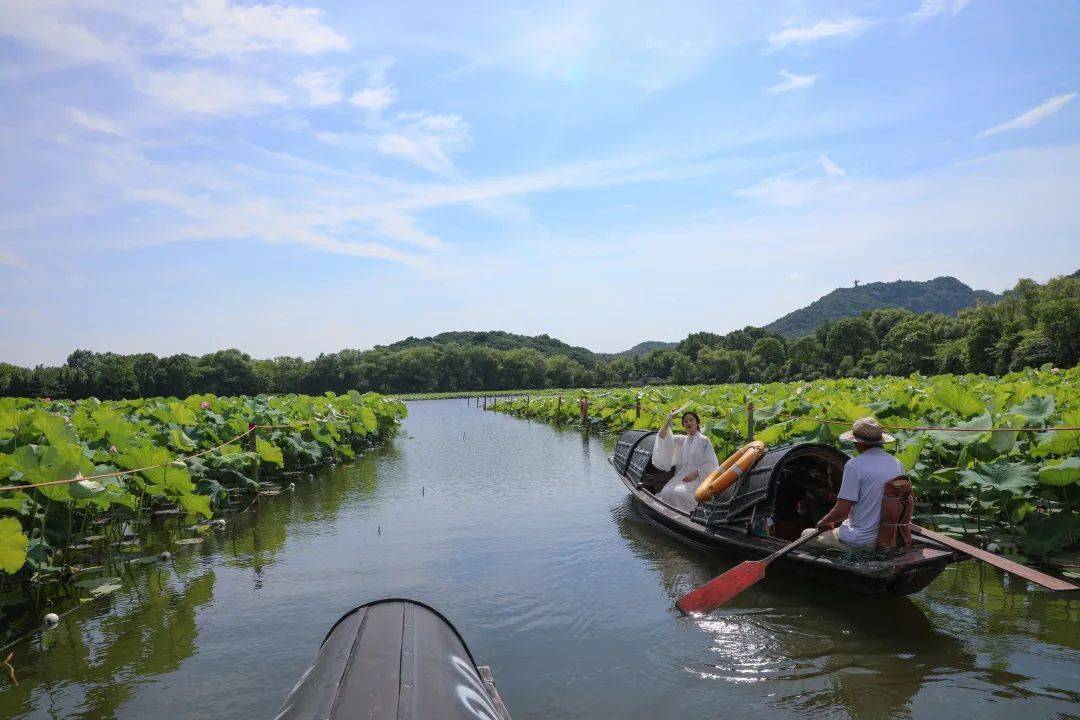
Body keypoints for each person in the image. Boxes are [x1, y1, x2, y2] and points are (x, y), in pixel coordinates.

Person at [801, 416, 902, 550]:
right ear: (880, 441)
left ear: (858, 443)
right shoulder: (897, 463)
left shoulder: (854, 465)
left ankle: (848, 553)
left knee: (806, 534)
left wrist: (823, 522)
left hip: (861, 540)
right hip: (888, 536)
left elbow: (842, 511)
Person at [651, 410, 720, 513]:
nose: (688, 423)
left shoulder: (704, 440)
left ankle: (692, 514)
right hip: (682, 476)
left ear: (697, 423)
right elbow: (662, 437)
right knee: (666, 492)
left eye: (691, 420)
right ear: (683, 425)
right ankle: (676, 514)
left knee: (680, 493)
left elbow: (712, 463)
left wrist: (697, 472)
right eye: (686, 421)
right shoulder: (683, 440)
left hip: (700, 477)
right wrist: (669, 420)